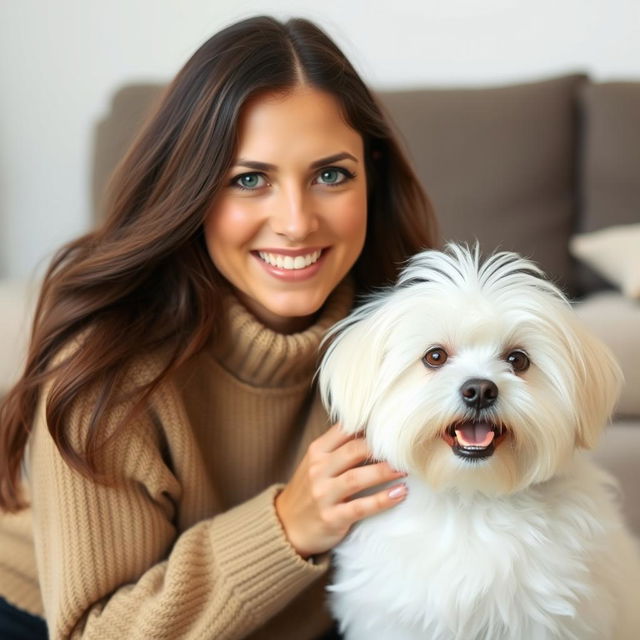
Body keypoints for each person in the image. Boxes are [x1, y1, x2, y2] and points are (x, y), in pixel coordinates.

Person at [0, 15, 437, 640]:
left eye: (330, 175)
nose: (296, 222)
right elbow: (99, 630)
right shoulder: (107, 371)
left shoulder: (416, 338)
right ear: (193, 189)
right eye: (249, 180)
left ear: (371, 175)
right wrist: (287, 525)